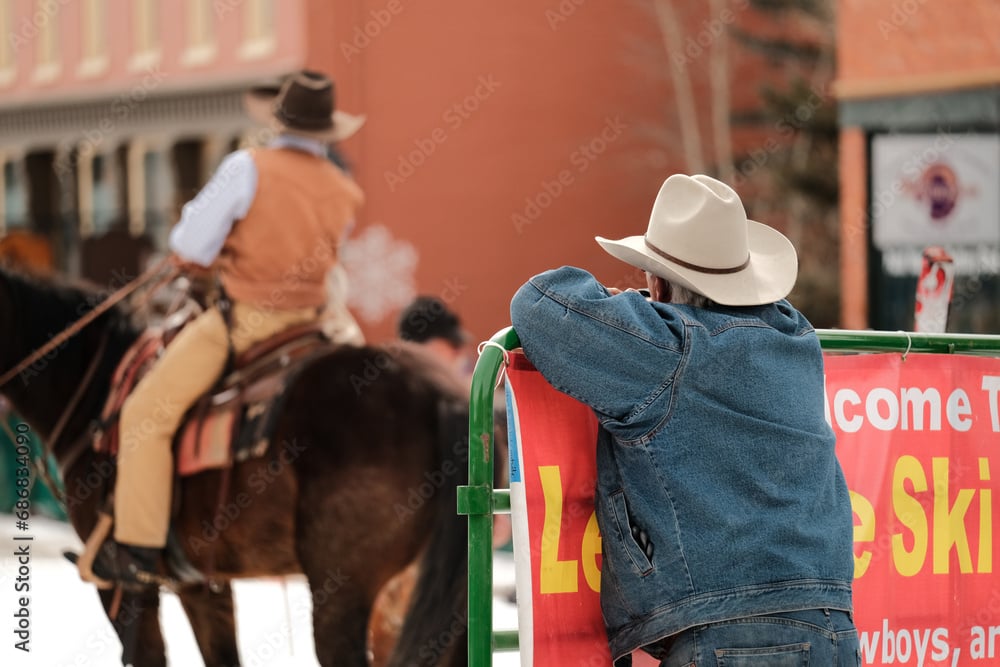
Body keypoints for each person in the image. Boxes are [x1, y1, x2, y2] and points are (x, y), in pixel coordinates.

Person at [510, 174, 857, 666]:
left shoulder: (669, 349)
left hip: (734, 634)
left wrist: (627, 308)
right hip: (832, 625)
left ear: (657, 283)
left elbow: (540, 301)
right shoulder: (794, 337)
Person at [91, 70, 366, 588]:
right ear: (326, 130)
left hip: (246, 321)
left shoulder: (247, 166)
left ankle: (139, 548)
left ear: (280, 119)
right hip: (313, 324)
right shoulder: (343, 189)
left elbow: (191, 244)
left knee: (145, 415)